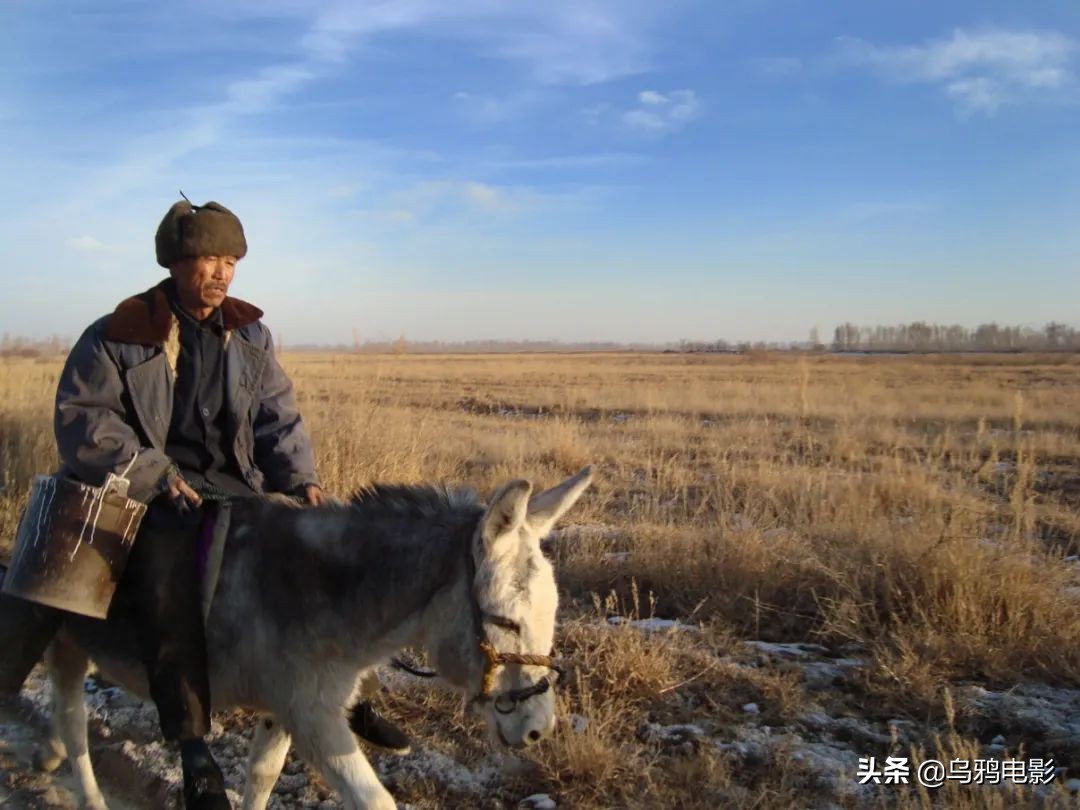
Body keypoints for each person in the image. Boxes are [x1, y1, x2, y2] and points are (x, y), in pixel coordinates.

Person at [0, 199, 408, 809]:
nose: (220, 273)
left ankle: (354, 700)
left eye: (230, 260)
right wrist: (150, 472)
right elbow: (84, 421)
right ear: (174, 262)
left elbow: (278, 417)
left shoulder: (251, 333)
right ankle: (193, 747)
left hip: (235, 486)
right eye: (207, 259)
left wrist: (302, 481)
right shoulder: (121, 333)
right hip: (153, 491)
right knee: (168, 574)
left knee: (324, 559)